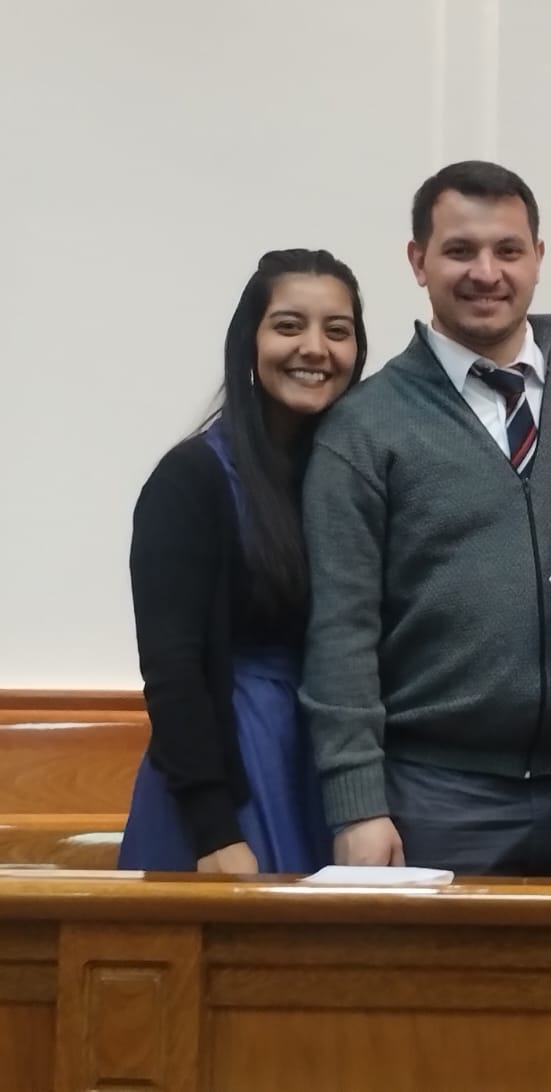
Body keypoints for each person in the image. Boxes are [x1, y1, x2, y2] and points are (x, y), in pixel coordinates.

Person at [299, 160, 551, 874]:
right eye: (460, 250)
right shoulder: (364, 426)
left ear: (537, 258)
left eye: (508, 250)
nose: (487, 273)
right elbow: (340, 630)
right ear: (418, 261)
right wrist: (357, 806)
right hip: (438, 796)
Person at [119, 249, 368, 874]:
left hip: (332, 764)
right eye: (289, 325)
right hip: (236, 772)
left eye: (337, 330)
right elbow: (172, 670)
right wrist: (214, 834)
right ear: (249, 341)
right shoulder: (191, 479)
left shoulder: (353, 475)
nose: (315, 348)